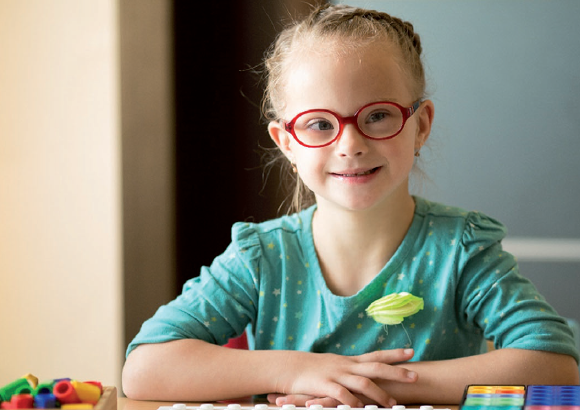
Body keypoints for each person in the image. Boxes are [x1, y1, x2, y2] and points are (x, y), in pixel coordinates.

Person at [122, 3, 579, 407]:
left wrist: (372, 386)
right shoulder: (262, 257)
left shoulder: (460, 250)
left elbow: (555, 367)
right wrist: (296, 370)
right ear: (286, 143)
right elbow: (145, 369)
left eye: (377, 116)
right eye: (319, 124)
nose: (350, 144)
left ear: (420, 125)